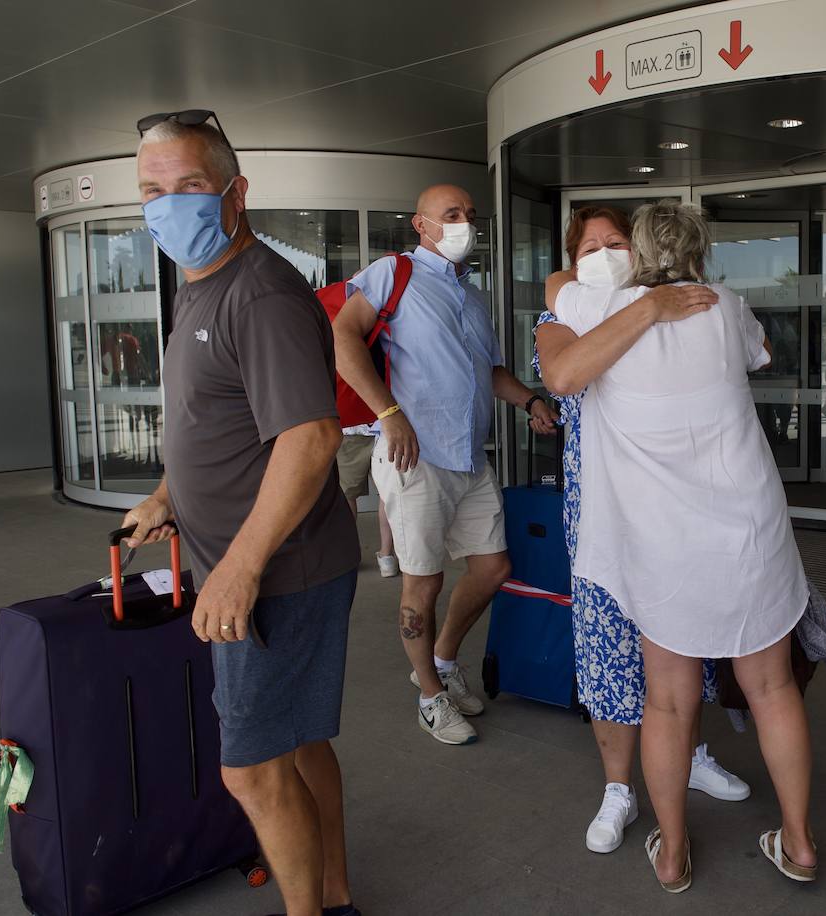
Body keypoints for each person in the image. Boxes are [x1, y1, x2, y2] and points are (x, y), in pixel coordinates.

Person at [123, 110, 362, 916]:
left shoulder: (258, 292)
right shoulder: (203, 287)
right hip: (253, 564)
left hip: (276, 575)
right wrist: (167, 495)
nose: (168, 206)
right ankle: (331, 892)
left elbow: (310, 437)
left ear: (235, 191)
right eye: (152, 191)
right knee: (294, 745)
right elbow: (220, 420)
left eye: (188, 186)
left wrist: (239, 567)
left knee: (250, 770)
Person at [548, 200, 818, 893]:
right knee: (772, 685)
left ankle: (672, 854)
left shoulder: (598, 307)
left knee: (668, 701)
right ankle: (799, 840)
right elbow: (759, 353)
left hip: (664, 541)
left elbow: (555, 292)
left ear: (633, 253)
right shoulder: (725, 305)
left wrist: (632, 297)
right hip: (750, 528)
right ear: (703, 249)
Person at [535, 206, 752, 856]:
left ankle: (689, 755)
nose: (604, 254)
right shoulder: (565, 317)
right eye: (590, 247)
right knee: (609, 652)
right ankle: (618, 788)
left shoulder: (677, 304)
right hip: (604, 517)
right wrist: (648, 308)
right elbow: (564, 373)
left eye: (615, 243)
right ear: (574, 265)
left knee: (685, 646)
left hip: (679, 512)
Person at [333, 184, 558, 746]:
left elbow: (491, 372)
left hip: (467, 454)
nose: (464, 224)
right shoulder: (393, 274)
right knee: (423, 582)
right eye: (451, 214)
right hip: (415, 456)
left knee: (493, 567)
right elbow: (343, 336)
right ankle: (430, 697)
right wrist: (388, 412)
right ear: (421, 224)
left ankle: (442, 660)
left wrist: (530, 400)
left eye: (470, 215)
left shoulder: (472, 296)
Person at [336, 421, 399, 577]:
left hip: (350, 426)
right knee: (386, 494)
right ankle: (387, 557)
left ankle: (347, 556)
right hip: (385, 426)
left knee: (347, 496)